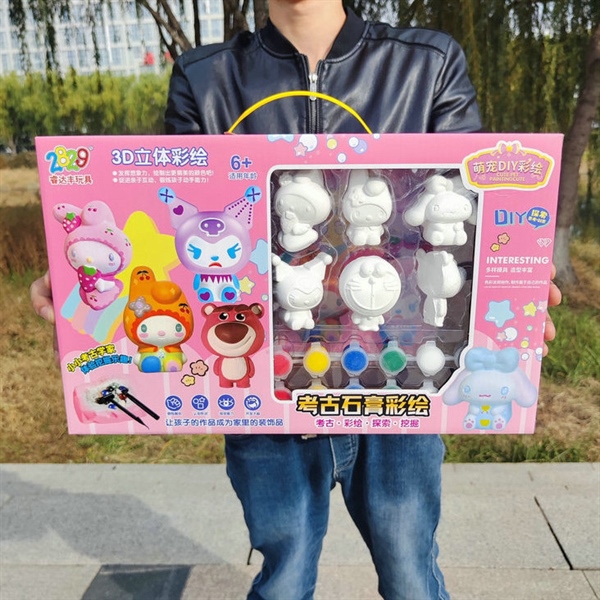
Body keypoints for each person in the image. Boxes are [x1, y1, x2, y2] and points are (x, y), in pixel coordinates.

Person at [31, 1, 563, 598]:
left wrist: (509, 281)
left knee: (411, 571)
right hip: (268, 382)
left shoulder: (426, 64)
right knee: (283, 576)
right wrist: (86, 281)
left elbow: (466, 211)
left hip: (401, 375)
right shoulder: (206, 78)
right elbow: (181, 230)